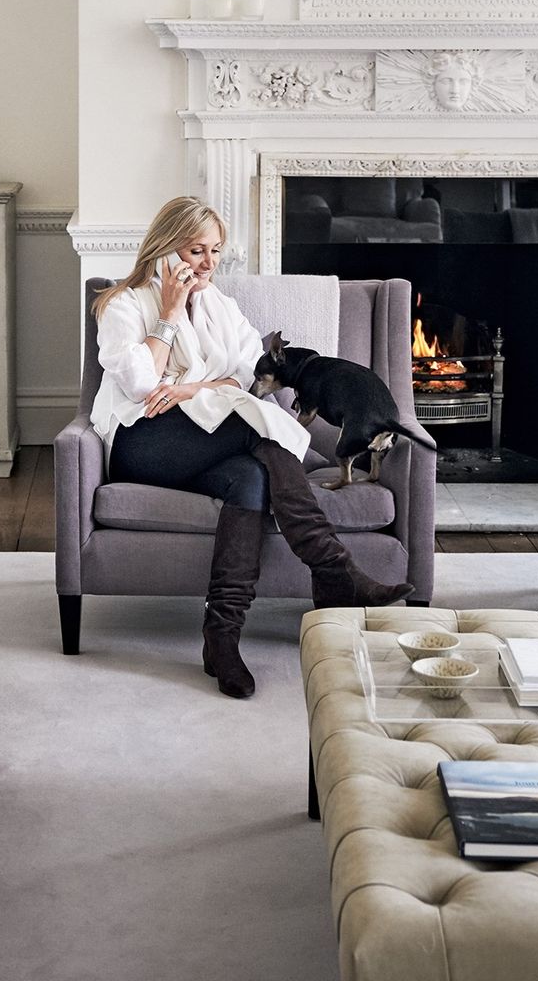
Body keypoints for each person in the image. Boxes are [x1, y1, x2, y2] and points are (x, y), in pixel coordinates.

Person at [90, 195, 411, 700]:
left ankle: (221, 636)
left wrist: (191, 389)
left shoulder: (222, 306)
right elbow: (140, 384)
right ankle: (333, 568)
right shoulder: (122, 304)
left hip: (207, 440)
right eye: (196, 251)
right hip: (144, 441)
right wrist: (169, 316)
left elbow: (246, 375)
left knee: (252, 476)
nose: (208, 264)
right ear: (166, 249)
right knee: (256, 425)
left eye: (215, 251)